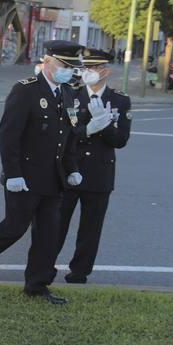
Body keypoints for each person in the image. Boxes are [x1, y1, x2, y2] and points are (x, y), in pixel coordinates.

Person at [0, 41, 84, 305]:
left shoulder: (69, 93)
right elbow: (8, 135)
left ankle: (36, 286)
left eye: (71, 68)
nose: (67, 72)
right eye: (63, 65)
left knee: (48, 235)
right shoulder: (25, 90)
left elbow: (69, 136)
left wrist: (71, 169)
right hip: (24, 178)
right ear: (47, 61)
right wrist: (13, 173)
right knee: (14, 228)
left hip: (54, 178)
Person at [56, 48, 131, 283]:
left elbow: (121, 140)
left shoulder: (120, 100)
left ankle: (79, 272)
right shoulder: (72, 96)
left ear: (105, 71)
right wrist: (88, 129)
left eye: (93, 68)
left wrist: (105, 126)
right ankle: (44, 265)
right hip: (71, 169)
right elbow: (68, 133)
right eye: (86, 68)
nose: (88, 72)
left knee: (90, 228)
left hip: (100, 172)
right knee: (56, 223)